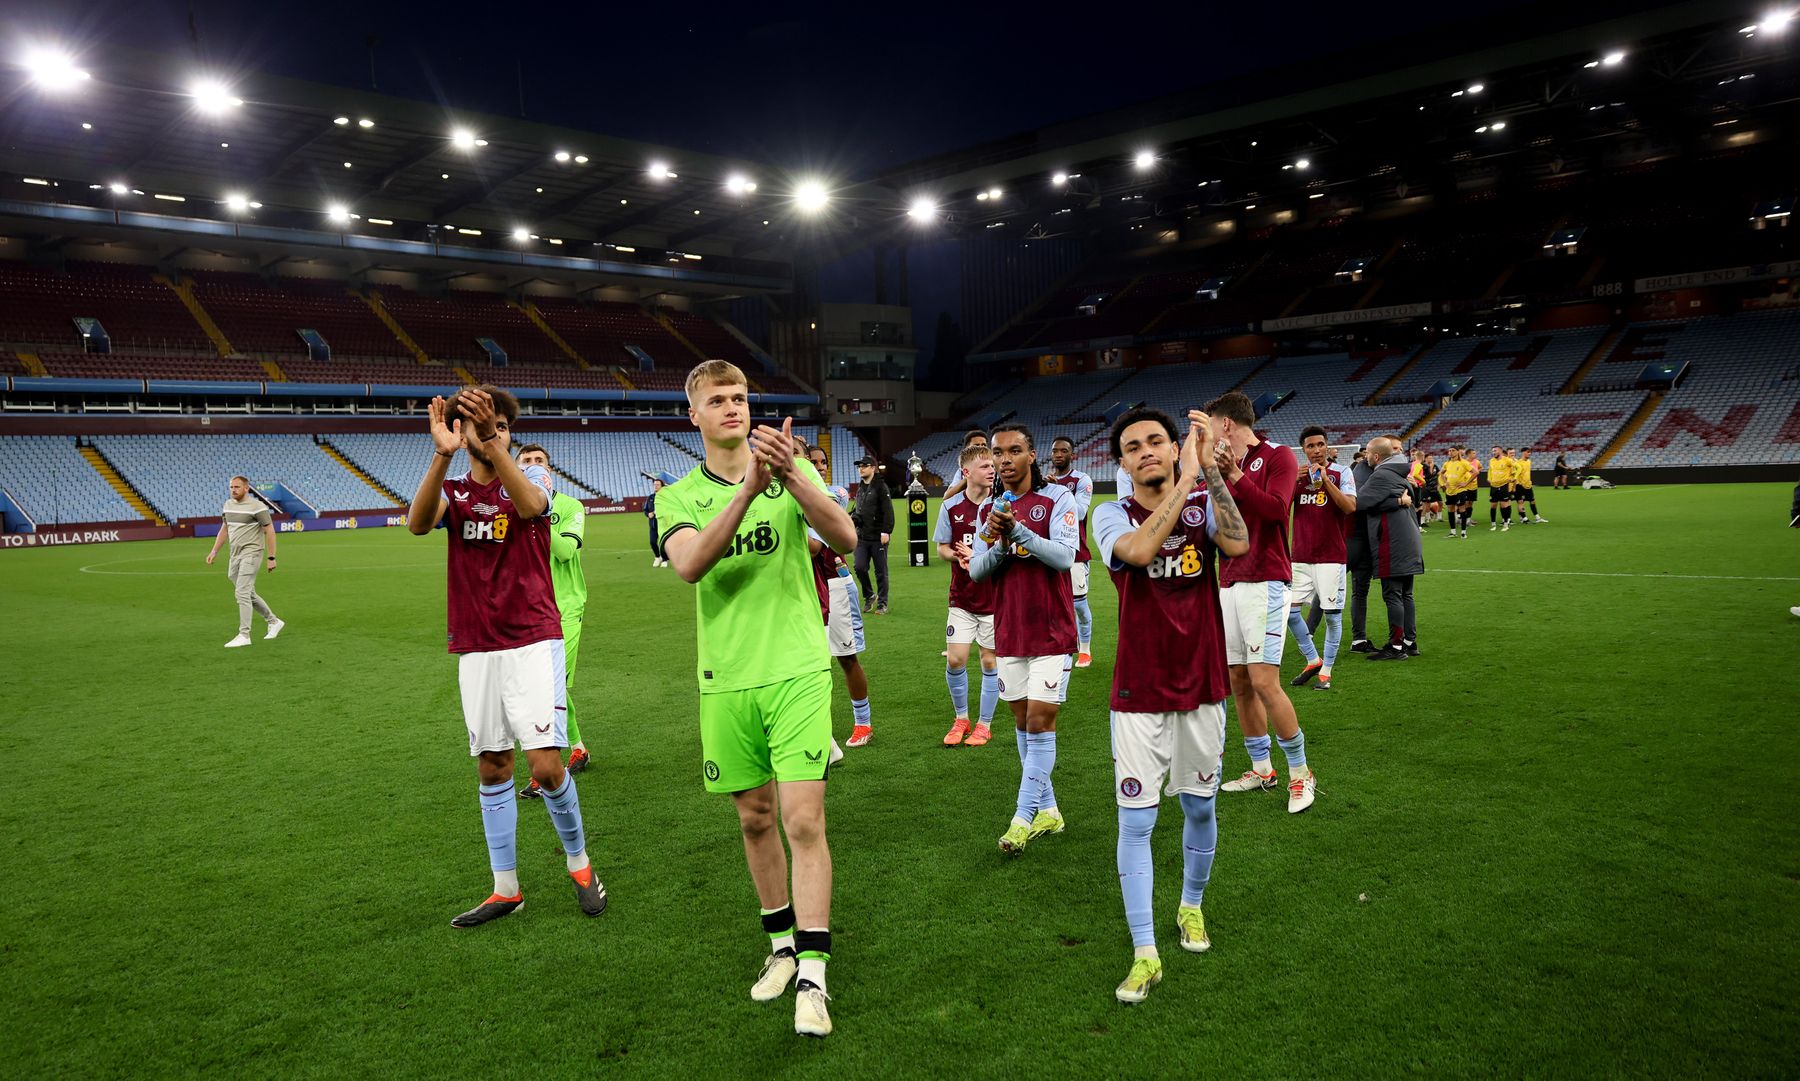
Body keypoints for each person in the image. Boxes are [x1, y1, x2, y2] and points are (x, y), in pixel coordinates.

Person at [655, 360, 856, 1039]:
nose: (733, 407)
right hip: (727, 679)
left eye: (740, 397)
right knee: (755, 817)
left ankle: (814, 976)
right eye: (718, 399)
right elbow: (689, 564)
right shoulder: (677, 496)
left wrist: (792, 477)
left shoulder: (792, 469)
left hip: (798, 668)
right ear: (696, 415)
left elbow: (846, 536)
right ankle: (780, 947)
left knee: (803, 819)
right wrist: (749, 490)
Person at [405, 386, 606, 929]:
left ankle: (581, 866)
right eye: (471, 423)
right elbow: (418, 523)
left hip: (534, 637)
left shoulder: (533, 478)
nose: (484, 430)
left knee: (545, 765)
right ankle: (506, 889)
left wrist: (492, 440)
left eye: (495, 424)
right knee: (493, 766)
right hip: (477, 644)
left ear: (506, 431)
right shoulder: (453, 489)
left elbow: (532, 507)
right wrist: (442, 451)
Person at [1091, 407, 1249, 1004]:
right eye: (1133, 447)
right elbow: (1135, 552)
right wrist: (1187, 477)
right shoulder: (1108, 514)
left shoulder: (1204, 499)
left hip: (1202, 682)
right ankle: (1144, 952)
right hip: (1137, 689)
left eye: (1156, 441)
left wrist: (1211, 478)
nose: (1146, 451)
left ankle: (1191, 906)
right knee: (1136, 820)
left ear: (1171, 445)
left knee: (1200, 809)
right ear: (1122, 462)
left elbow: (1237, 543)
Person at [970, 423, 1079, 854]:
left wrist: (1019, 533)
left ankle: (1021, 818)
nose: (1005, 459)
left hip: (1052, 630)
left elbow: (1065, 557)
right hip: (1009, 631)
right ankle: (1049, 810)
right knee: (1020, 721)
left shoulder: (1057, 498)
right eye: (998, 453)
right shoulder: (988, 510)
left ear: (1032, 455)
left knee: (1039, 722)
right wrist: (999, 542)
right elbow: (977, 571)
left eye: (1015, 451)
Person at [1207, 392, 1317, 814]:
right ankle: (1261, 768)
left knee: (1265, 681)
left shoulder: (1277, 457)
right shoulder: (1216, 468)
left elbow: (1275, 511)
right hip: (1229, 581)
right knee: (1239, 681)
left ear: (1228, 426)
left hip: (1266, 580)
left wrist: (1235, 476)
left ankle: (1301, 772)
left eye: (1212, 425)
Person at [514, 444, 592, 797]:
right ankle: (577, 748)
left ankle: (549, 768)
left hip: (565, 609)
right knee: (542, 687)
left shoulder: (570, 507)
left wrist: (536, 513)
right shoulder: (507, 508)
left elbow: (564, 551)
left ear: (550, 470)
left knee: (548, 688)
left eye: (538, 462)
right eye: (525, 461)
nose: (532, 466)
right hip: (526, 610)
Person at [805, 443, 875, 748]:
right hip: (805, 588)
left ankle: (863, 723)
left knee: (846, 658)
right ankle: (818, 733)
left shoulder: (834, 494)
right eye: (813, 462)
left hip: (835, 585)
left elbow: (815, 547)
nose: (820, 467)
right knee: (808, 664)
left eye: (823, 462)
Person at [935, 442, 1001, 747]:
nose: (992, 470)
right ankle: (961, 718)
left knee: (989, 662)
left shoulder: (1001, 506)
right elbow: (942, 548)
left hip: (994, 599)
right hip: (961, 598)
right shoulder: (950, 507)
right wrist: (957, 557)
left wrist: (984, 556)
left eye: (992, 466)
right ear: (967, 472)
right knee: (957, 660)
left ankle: (984, 724)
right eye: (985, 466)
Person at [1288, 426, 1357, 690]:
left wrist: (1326, 480)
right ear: (1303, 450)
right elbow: (1279, 507)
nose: (1316, 450)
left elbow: (1350, 507)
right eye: (1310, 446)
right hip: (1301, 557)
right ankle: (1312, 659)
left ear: (1327, 446)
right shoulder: (1296, 476)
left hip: (1331, 556)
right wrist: (1292, 480)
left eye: (1320, 445)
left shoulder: (1343, 473)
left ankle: (1326, 671)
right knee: (1290, 613)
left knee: (1331, 616)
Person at [1357, 436, 1425, 660]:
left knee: (1393, 594)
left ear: (1376, 456)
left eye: (1367, 453)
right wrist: (1396, 502)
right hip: (1407, 538)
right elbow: (1410, 498)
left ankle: (1396, 647)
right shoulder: (1398, 472)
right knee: (1406, 593)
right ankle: (1409, 641)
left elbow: (1358, 502)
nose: (1365, 457)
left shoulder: (1381, 474)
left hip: (1391, 541)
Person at [205, 475, 284, 648]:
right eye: (231, 487)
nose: (233, 490)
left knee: (241, 592)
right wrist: (214, 551)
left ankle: (244, 634)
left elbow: (270, 531)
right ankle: (274, 621)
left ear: (246, 488)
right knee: (247, 592)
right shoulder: (228, 505)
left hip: (252, 553)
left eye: (237, 487)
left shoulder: (257, 507)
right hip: (235, 554)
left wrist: (271, 557)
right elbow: (224, 529)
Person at [1045, 434, 1098, 667]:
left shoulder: (1081, 480)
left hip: (1076, 552)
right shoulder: (1043, 481)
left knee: (1078, 604)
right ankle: (1061, 645)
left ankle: (1084, 649)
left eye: (1063, 451)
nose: (1058, 454)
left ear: (1072, 455)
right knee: (1052, 602)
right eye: (1055, 451)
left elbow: (1078, 514)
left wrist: (1056, 490)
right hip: (1049, 550)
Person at [852, 456, 893, 615]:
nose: (861, 468)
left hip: (878, 536)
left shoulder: (881, 487)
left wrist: (886, 531)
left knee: (880, 571)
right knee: (859, 567)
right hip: (862, 536)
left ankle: (882, 603)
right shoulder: (861, 487)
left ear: (873, 468)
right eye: (859, 466)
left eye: (864, 466)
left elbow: (888, 511)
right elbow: (859, 509)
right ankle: (869, 595)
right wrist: (854, 518)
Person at [942, 429, 991, 500]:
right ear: (967, 449)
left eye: (984, 445)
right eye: (976, 445)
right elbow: (947, 497)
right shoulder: (961, 472)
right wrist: (969, 477)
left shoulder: (995, 469)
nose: (981, 448)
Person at [1441, 446, 1475, 538]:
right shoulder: (1447, 463)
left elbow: (1475, 472)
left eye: (1453, 450)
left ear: (1458, 452)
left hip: (1460, 490)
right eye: (1449, 451)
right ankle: (1453, 532)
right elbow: (1441, 473)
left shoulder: (1464, 463)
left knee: (1462, 509)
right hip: (1449, 491)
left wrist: (1466, 483)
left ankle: (1463, 532)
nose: (1451, 452)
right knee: (1451, 510)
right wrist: (1445, 482)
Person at [1515, 448, 1547, 523]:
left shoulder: (1529, 461)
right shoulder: (1518, 463)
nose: (1529, 454)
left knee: (1532, 501)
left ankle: (1537, 518)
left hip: (1528, 485)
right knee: (1520, 502)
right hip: (1520, 485)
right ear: (1523, 453)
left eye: (1530, 452)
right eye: (1528, 452)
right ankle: (1523, 518)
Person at [1488, 445, 1514, 531]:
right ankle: (1493, 524)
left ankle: (1506, 524)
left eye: (1495, 451)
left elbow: (1518, 468)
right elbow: (1490, 470)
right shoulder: (1491, 461)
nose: (1493, 452)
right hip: (1493, 486)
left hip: (1503, 485)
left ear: (1500, 451)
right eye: (1493, 451)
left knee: (1504, 506)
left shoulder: (1507, 460)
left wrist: (1513, 477)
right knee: (1493, 506)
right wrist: (1490, 478)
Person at [647, 477, 668, 567]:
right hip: (653, 524)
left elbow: (668, 509)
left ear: (662, 486)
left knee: (663, 542)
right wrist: (648, 514)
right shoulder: (650, 497)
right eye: (654, 485)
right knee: (652, 542)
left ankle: (665, 559)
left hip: (663, 524)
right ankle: (657, 557)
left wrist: (657, 512)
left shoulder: (666, 497)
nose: (655, 486)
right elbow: (646, 509)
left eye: (657, 485)